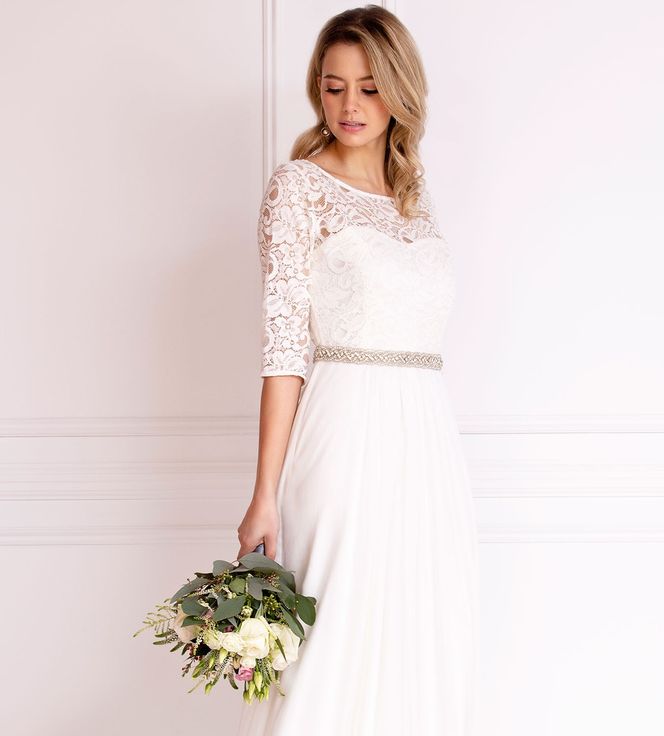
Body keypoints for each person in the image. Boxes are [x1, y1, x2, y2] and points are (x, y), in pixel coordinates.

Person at [236, 5, 481, 734]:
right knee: (334, 641)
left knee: (424, 631)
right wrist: (264, 494)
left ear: (400, 91)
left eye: (370, 88)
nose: (349, 106)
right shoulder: (298, 188)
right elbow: (283, 348)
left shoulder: (414, 197)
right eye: (334, 85)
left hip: (428, 442)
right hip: (344, 433)